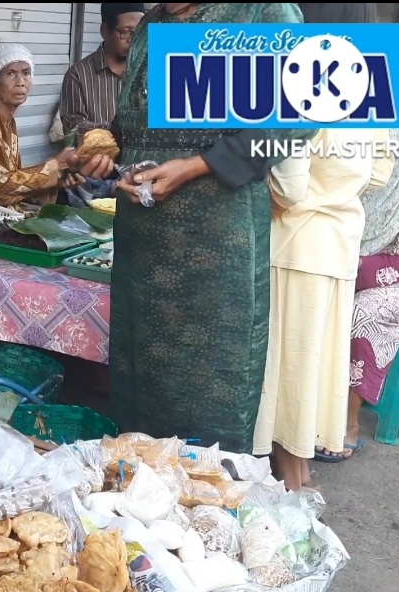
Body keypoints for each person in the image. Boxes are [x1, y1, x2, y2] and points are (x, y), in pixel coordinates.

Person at [80, 3, 317, 455]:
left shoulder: (263, 14)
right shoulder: (153, 25)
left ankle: (207, 501)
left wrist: (198, 165)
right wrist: (112, 161)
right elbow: (133, 124)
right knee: (139, 392)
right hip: (144, 249)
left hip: (218, 246)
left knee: (212, 391)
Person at [255, 126, 384, 491]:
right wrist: (337, 191)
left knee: (289, 370)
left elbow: (289, 190)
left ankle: (291, 478)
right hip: (340, 240)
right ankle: (302, 472)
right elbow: (379, 173)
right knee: (314, 367)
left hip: (297, 243)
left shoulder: (303, 96)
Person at [312, 102, 399, 462]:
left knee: (360, 311)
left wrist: (345, 266)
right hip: (355, 261)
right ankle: (305, 410)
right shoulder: (355, 170)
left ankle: (344, 423)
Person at [0, 44, 80, 213]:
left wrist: (54, 181)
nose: (20, 82)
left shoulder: (9, 123)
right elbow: (0, 188)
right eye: (11, 73)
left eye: (26, 73)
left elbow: (13, 184)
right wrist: (52, 167)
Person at [59, 3, 145, 134]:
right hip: (99, 154)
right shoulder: (78, 75)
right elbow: (73, 127)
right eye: (126, 32)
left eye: (140, 32)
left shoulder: (151, 71)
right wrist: (117, 131)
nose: (134, 40)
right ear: (105, 31)